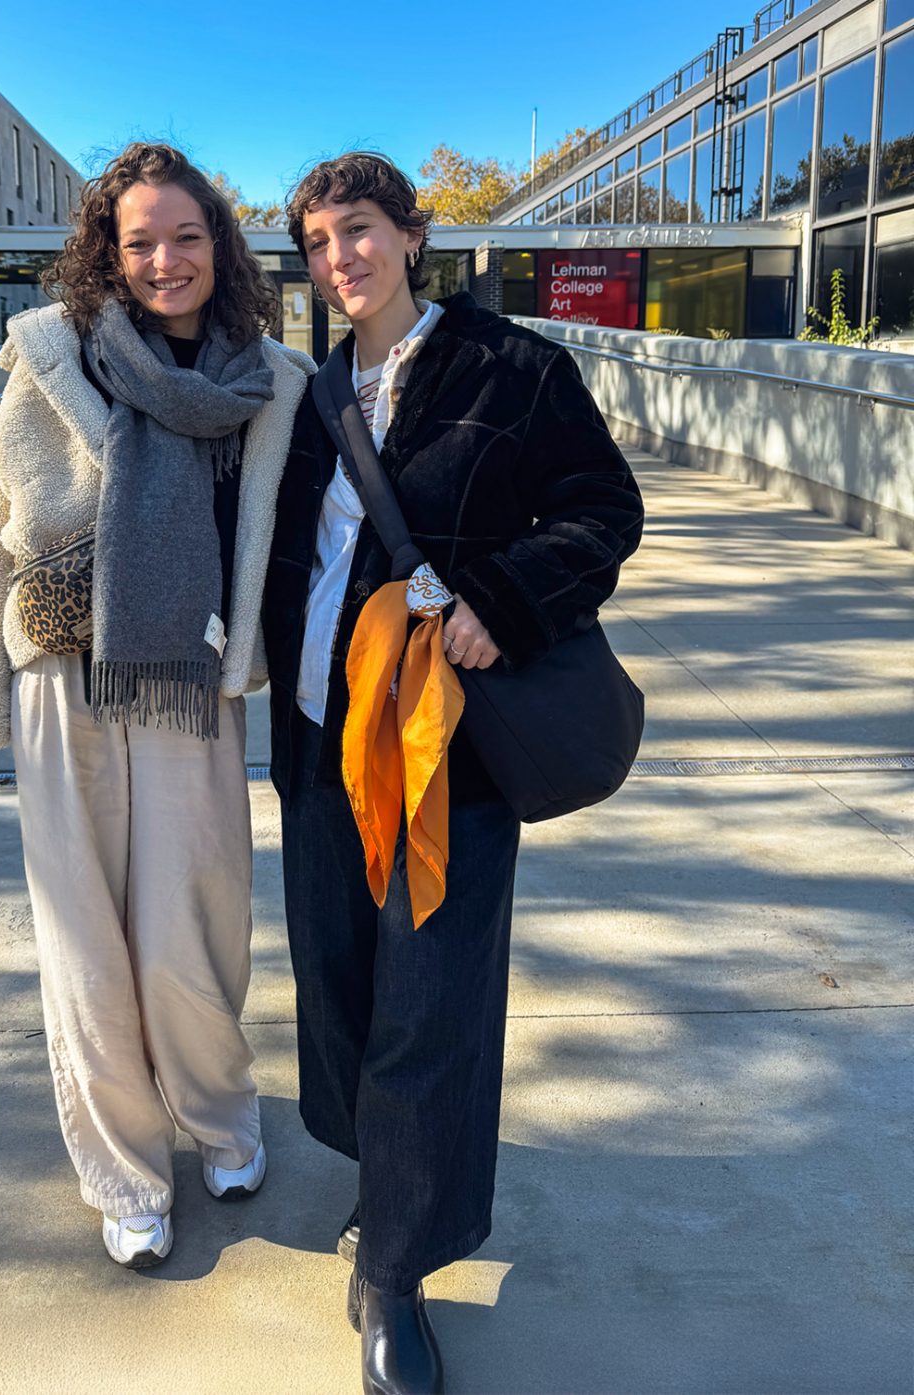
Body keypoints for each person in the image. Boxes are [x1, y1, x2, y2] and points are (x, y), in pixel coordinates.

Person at [263, 153, 644, 1394]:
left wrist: (500, 598)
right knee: (339, 981)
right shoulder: (317, 387)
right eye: (318, 243)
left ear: (414, 235)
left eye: (359, 232)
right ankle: (383, 1171)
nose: (339, 261)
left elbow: (603, 510)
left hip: (442, 755)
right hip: (325, 737)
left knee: (431, 999)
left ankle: (397, 1268)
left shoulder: (515, 370)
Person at [0, 142, 314, 1269]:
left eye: (186, 236)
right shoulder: (53, 359)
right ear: (109, 250)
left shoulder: (262, 379)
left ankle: (219, 1114)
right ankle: (124, 1167)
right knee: (87, 935)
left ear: (219, 247)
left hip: (192, 682)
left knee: (194, 916)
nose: (164, 260)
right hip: (64, 675)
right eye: (138, 240)